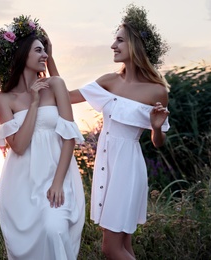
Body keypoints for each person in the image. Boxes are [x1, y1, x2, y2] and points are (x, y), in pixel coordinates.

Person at [67, 4, 170, 259]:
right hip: (107, 163)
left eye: (120, 40)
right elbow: (67, 97)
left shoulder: (156, 90)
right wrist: (47, 65)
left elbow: (158, 142)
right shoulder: (108, 81)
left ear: (135, 45)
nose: (113, 45)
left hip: (127, 167)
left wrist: (156, 128)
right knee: (123, 248)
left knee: (110, 249)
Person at [0, 15, 85, 259]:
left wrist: (58, 182)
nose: (45, 56)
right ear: (22, 55)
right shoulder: (4, 99)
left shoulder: (57, 85)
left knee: (55, 230)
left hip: (57, 175)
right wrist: (33, 103)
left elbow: (68, 138)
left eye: (46, 51)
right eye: (39, 50)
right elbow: (18, 146)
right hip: (22, 183)